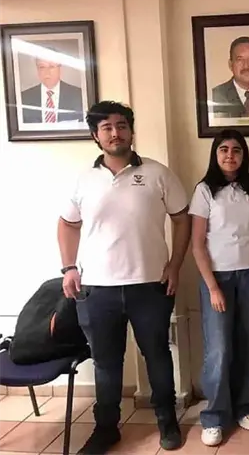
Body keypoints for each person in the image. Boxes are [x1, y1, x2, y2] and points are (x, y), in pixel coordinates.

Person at [57, 101, 191, 454]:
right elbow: (67, 224)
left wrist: (175, 264)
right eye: (107, 128)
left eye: (121, 126)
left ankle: (167, 421)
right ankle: (106, 428)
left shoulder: (158, 173)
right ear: (95, 135)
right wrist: (69, 267)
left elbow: (182, 219)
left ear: (131, 131)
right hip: (96, 289)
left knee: (157, 356)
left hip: (151, 286)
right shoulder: (83, 180)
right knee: (106, 363)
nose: (115, 133)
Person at [189, 129, 249, 447]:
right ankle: (213, 416)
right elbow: (197, 244)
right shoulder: (204, 190)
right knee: (219, 348)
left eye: (236, 150)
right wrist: (212, 287)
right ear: (215, 154)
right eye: (223, 149)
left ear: (244, 154)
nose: (230, 155)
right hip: (218, 278)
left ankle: (243, 406)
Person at [21, 51, 84, 124]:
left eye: (51, 66)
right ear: (37, 69)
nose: (47, 72)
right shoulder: (23, 98)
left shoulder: (79, 95)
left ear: (59, 68)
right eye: (42, 67)